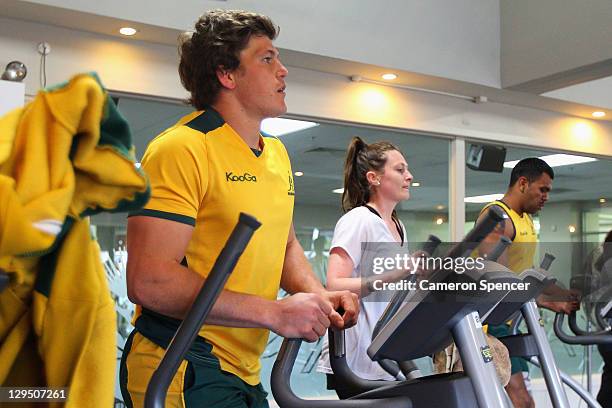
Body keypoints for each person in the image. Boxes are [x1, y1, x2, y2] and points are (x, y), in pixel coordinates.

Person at [120, 10, 358, 408]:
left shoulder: (277, 154)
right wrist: (274, 313)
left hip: (242, 370)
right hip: (180, 362)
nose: (283, 70)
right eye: (267, 58)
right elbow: (149, 281)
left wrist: (320, 296)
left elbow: (284, 248)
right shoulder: (182, 148)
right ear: (226, 75)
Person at [317, 136, 419, 398]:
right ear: (374, 178)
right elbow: (334, 284)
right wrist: (395, 274)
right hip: (355, 358)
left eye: (406, 169)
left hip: (385, 356)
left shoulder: (398, 226)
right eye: (400, 170)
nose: (409, 176)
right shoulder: (358, 220)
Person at [477, 157, 580, 408]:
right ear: (523, 183)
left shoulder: (525, 220)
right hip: (489, 324)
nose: (546, 196)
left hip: (511, 321)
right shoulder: (498, 218)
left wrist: (561, 294)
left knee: (521, 399)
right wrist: (546, 302)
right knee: (522, 401)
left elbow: (525, 272)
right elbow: (498, 282)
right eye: (542, 189)